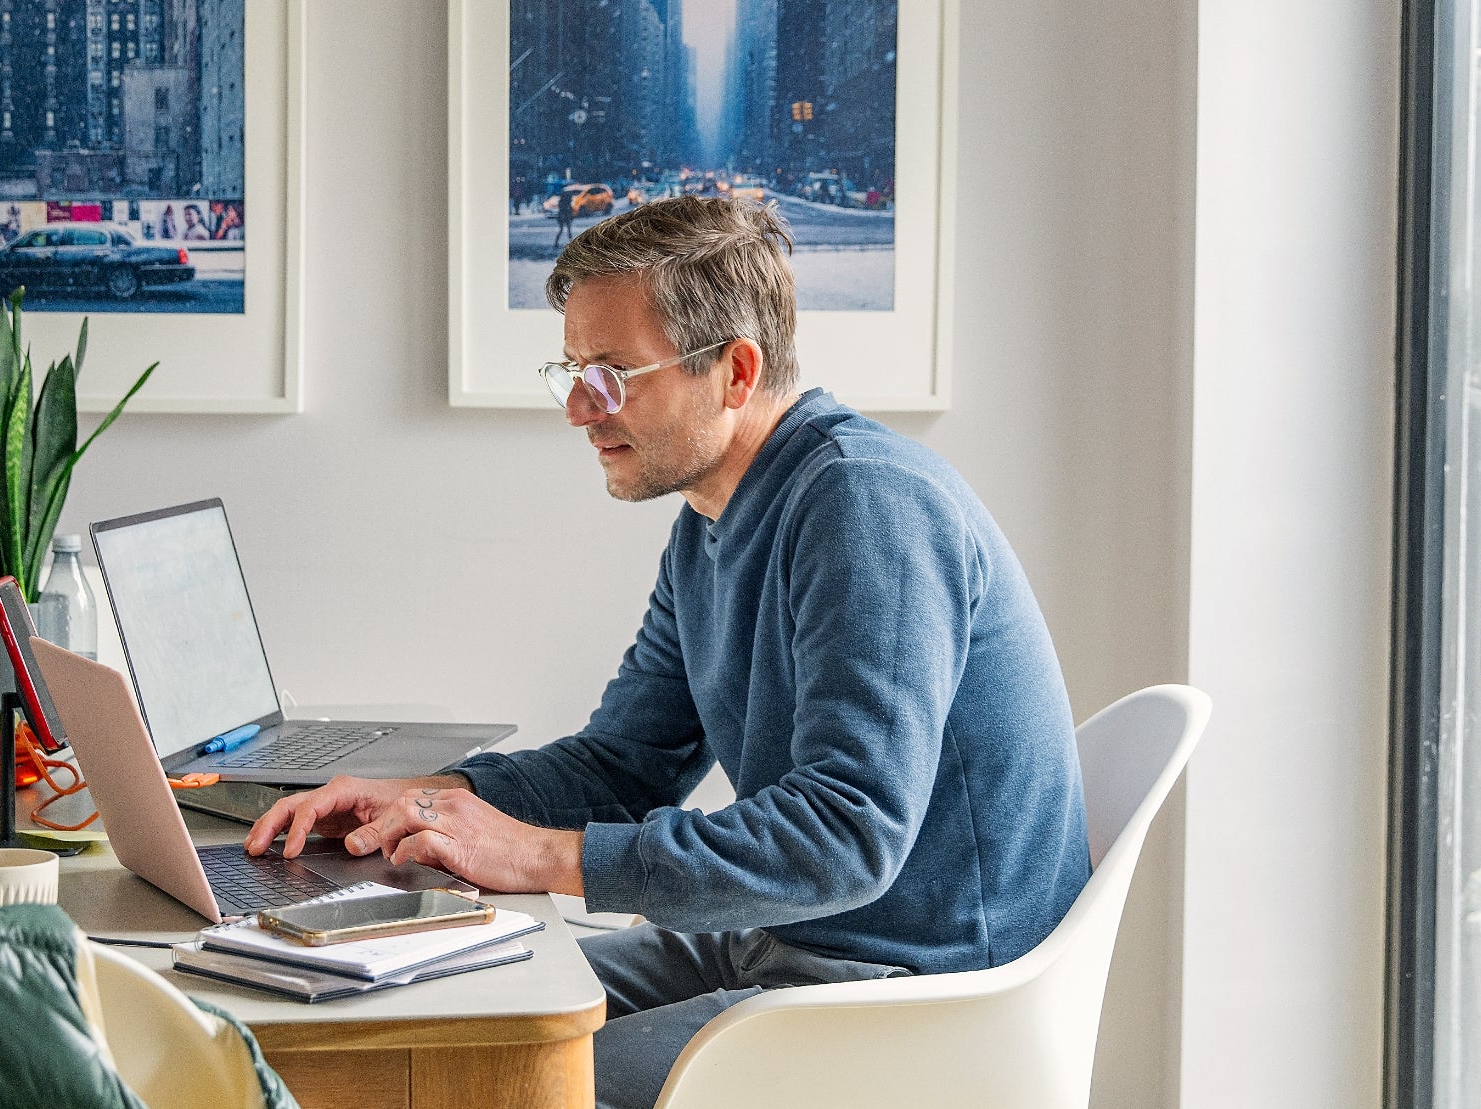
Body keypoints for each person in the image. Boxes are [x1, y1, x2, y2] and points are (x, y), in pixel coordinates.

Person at [244, 197, 1089, 1109]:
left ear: (734, 369)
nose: (577, 408)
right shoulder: (713, 521)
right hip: (784, 938)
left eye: (611, 374)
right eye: (570, 371)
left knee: (483, 1080)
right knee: (436, 1009)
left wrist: (539, 856)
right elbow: (625, 761)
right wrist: (432, 798)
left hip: (904, 994)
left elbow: (848, 834)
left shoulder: (865, 506)